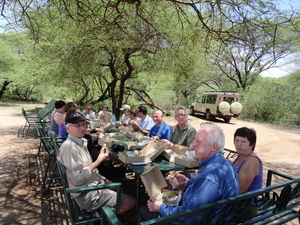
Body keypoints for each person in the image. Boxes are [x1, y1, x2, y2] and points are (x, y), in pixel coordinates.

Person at [138, 123, 239, 224]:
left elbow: (188, 215)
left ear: (214, 147)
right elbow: (209, 193)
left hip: (203, 221)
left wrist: (160, 207)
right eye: (195, 140)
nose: (193, 145)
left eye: (198, 141)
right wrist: (187, 182)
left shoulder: (209, 176)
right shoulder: (223, 163)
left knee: (144, 211)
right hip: (215, 218)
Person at [57, 109, 135, 213]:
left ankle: (106, 212)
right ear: (68, 129)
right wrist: (99, 161)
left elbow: (88, 170)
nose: (82, 128)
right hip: (87, 195)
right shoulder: (70, 148)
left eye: (83, 124)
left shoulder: (79, 142)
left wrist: (104, 179)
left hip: (92, 186)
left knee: (121, 190)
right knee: (132, 200)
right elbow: (78, 178)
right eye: (77, 125)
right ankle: (105, 217)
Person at [232, 127, 263, 222]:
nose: (239, 144)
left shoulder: (251, 161)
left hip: (245, 207)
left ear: (252, 144)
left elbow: (240, 189)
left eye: (243, 141)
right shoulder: (241, 156)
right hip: (235, 202)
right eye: (237, 140)